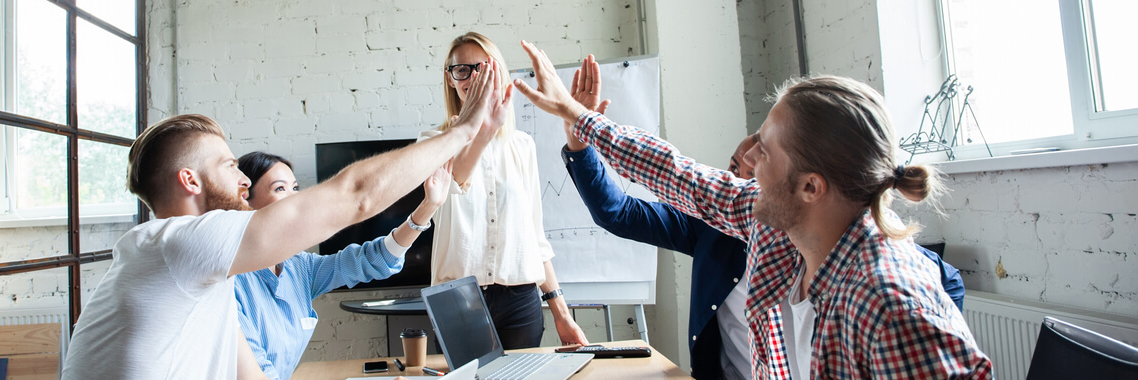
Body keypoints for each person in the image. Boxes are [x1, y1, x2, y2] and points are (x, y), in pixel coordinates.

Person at [514, 40, 991, 378]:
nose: (746, 163)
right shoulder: (777, 228)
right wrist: (579, 118)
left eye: (763, 151)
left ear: (810, 186)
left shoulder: (889, 305)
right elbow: (676, 173)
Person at [62, 55, 511, 379]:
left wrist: (427, 207)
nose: (240, 178)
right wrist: (466, 131)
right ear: (190, 181)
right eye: (227, 165)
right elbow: (355, 195)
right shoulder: (179, 243)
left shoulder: (201, 274)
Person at [416, 32, 587, 349]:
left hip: (520, 299)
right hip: (457, 299)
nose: (473, 77)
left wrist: (561, 313)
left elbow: (535, 236)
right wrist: (481, 130)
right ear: (450, 79)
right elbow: (456, 181)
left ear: (497, 72)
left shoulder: (522, 145)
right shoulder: (430, 142)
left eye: (482, 67)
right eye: (462, 69)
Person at [231, 152, 450, 379]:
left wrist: (428, 207)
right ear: (245, 202)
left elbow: (373, 260)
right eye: (279, 189)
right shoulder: (231, 282)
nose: (294, 198)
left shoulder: (299, 268)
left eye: (295, 188)